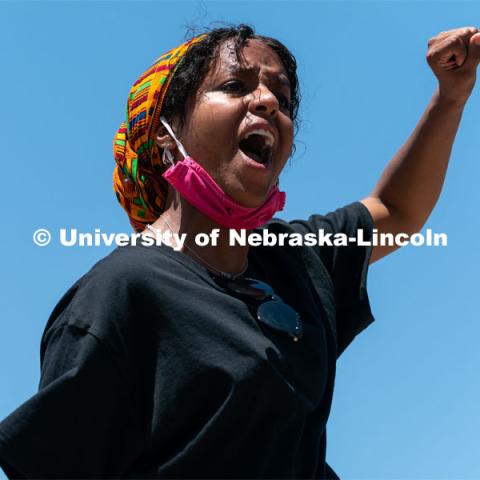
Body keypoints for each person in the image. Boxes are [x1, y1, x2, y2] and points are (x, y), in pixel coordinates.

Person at [0, 23, 478, 479]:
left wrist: (450, 96)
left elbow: (395, 209)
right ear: (168, 135)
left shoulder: (292, 260)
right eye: (235, 85)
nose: (269, 101)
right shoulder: (120, 295)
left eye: (283, 96)